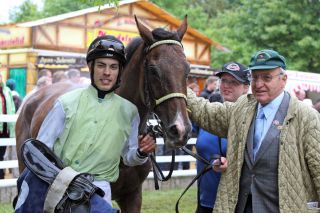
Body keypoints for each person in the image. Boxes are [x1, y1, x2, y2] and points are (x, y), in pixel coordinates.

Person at [16, 35, 156, 209]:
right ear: (90, 67)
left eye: (113, 67)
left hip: (101, 192)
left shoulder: (130, 113)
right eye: (101, 65)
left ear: (120, 70)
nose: (107, 72)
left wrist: (141, 153)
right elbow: (40, 150)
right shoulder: (65, 103)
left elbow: (129, 157)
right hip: (63, 189)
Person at [187, 49, 320, 212]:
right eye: (255, 77)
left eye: (267, 77)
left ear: (283, 79)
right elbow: (205, 112)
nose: (258, 84)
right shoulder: (242, 108)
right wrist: (174, 79)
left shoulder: (306, 116)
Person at [195, 62, 250, 212]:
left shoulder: (251, 119)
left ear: (246, 87)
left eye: (234, 82)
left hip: (234, 205)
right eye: (224, 80)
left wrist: (230, 164)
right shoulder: (207, 114)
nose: (227, 85)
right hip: (204, 201)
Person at [0, 73, 15, 179]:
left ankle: (1, 176)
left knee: (1, 155)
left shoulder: (7, 91)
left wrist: (12, 129)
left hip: (5, 130)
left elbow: (12, 109)